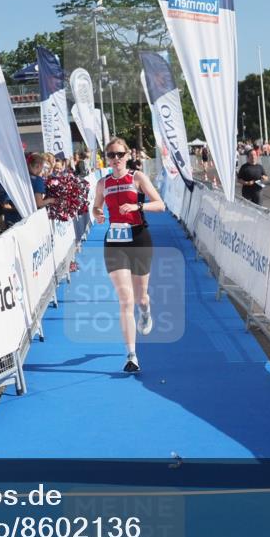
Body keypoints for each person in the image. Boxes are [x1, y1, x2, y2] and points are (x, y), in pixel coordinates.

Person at [91, 137, 166, 374]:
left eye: (120, 154)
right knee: (125, 300)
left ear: (127, 155)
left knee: (141, 298)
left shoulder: (137, 178)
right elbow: (95, 207)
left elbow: (160, 204)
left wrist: (138, 207)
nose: (116, 159)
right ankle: (132, 356)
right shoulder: (103, 183)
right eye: (111, 155)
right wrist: (98, 215)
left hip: (139, 237)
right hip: (115, 241)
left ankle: (146, 312)